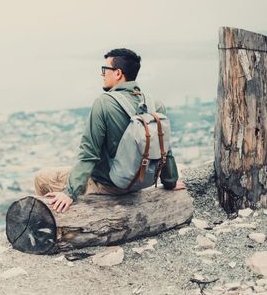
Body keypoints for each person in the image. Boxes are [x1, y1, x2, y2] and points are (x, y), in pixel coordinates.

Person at [34, 48, 185, 213]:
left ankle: (53, 226)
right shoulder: (155, 104)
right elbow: (165, 149)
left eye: (105, 69)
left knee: (42, 177)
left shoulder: (104, 103)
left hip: (111, 185)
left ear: (118, 73)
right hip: (141, 180)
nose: (102, 74)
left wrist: (69, 193)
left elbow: (89, 154)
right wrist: (170, 181)